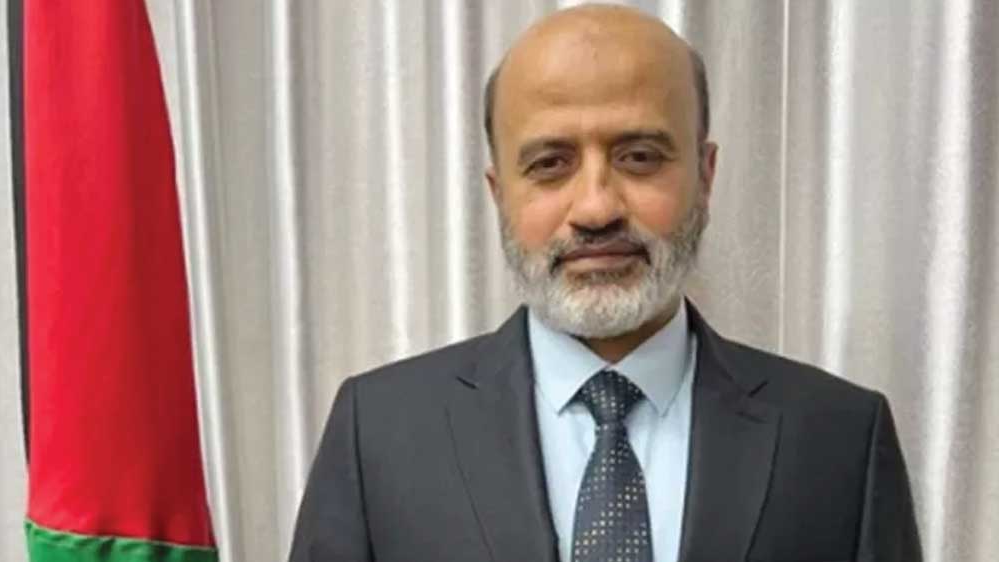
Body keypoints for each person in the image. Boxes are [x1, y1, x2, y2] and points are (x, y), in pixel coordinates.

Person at [288, 4, 921, 562]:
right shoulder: (378, 433)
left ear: (705, 176)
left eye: (639, 157)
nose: (595, 209)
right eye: (550, 164)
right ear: (499, 193)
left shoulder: (841, 439)